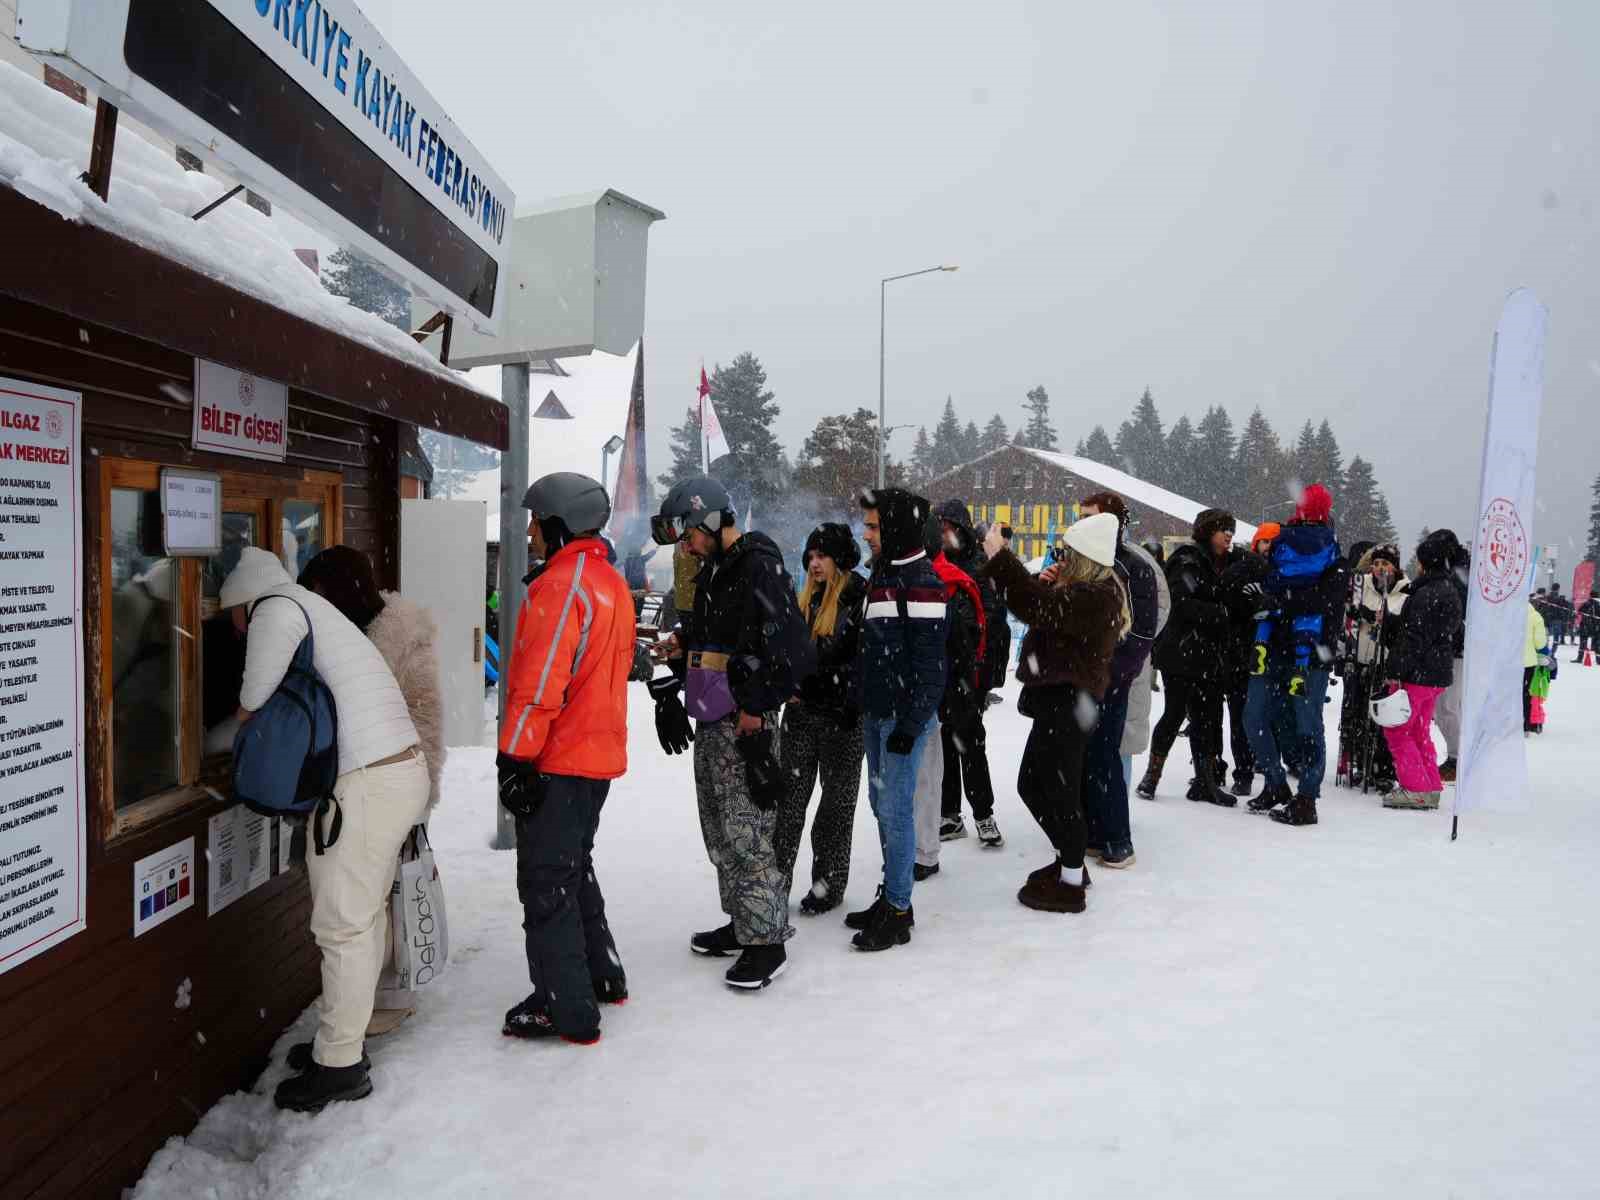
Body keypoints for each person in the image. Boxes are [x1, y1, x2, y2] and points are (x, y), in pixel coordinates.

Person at [220, 547, 426, 1113]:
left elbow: (253, 698)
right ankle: (340, 1046)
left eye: (229, 619)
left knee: (344, 927)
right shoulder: (312, 606)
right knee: (361, 920)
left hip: (369, 783)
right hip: (396, 771)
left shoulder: (277, 609)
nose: (233, 630)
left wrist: (219, 742)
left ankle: (340, 1067)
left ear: (240, 603)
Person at [650, 477, 813, 989]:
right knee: (720, 830)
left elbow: (792, 653)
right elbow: (723, 635)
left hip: (745, 724)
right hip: (713, 716)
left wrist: (758, 708)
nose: (685, 544)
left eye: (690, 533)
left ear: (714, 519)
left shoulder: (759, 567)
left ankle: (767, 942)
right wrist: (683, 644)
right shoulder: (717, 571)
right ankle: (745, 921)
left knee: (748, 833)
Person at [493, 474, 634, 1044]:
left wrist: (515, 759)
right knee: (574, 868)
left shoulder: (561, 585)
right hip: (596, 756)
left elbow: (538, 684)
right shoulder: (609, 581)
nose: (529, 531)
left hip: (558, 757)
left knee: (547, 882)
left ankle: (565, 1007)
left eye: (535, 520)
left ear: (559, 524)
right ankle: (601, 975)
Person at [298, 545, 446, 1035]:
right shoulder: (345, 631)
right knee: (371, 903)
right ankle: (368, 1007)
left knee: (372, 907)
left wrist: (418, 809)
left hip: (384, 786)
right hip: (354, 785)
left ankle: (382, 1003)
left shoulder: (400, 643)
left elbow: (425, 722)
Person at [980, 513, 1128, 913]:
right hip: (1059, 701)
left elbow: (1039, 608)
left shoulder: (1096, 595)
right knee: (1034, 784)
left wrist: (1002, 559)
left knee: (1059, 793)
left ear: (1085, 557)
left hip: (1069, 704)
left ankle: (1070, 881)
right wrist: (1039, 585)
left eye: (1068, 553)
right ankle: (1071, 861)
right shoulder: (1084, 591)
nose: (1059, 559)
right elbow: (1041, 609)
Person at [844, 488, 946, 952]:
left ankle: (900, 910)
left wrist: (909, 724)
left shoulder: (921, 580)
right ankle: (891, 895)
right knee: (879, 804)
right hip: (877, 712)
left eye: (874, 527)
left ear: (897, 528)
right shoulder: (882, 575)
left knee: (897, 813)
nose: (866, 535)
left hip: (901, 719)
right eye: (865, 526)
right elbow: (871, 651)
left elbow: (931, 666)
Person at [775, 522, 867, 916]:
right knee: (788, 805)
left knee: (834, 809)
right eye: (810, 556)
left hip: (841, 719)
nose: (814, 564)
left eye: (822, 556)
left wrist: (807, 678)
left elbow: (843, 658)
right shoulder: (805, 598)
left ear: (840, 559)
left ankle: (827, 884)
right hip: (800, 715)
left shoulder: (857, 597)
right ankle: (772, 885)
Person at [1244, 484, 1346, 827]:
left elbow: (1270, 594)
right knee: (1307, 723)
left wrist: (1277, 602)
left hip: (1273, 646)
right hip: (1310, 654)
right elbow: (1328, 606)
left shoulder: (1281, 545)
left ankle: (1281, 785)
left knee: (1257, 718)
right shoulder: (1334, 556)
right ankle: (1304, 795)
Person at [1076, 492, 1166, 868]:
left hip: (1111, 679)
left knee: (1107, 758)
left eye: (1090, 516)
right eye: (1079, 516)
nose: (1082, 522)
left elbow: (1144, 630)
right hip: (1082, 676)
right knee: (1085, 758)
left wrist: (1116, 672)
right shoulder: (1082, 557)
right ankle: (1094, 833)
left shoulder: (1134, 565)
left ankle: (1117, 839)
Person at [1138, 508, 1240, 806]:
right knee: (1175, 713)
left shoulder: (1220, 562)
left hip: (1207, 655)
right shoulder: (1188, 557)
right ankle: (1151, 777)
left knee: (1206, 719)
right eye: (1225, 532)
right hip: (1181, 652)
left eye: (1231, 532)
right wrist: (1220, 612)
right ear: (1209, 532)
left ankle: (1205, 782)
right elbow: (1181, 603)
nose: (1229, 538)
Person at [934, 500, 1004, 848]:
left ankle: (983, 813)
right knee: (946, 740)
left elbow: (991, 619)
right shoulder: (937, 565)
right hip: (944, 669)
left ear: (960, 528)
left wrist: (970, 649)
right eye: (940, 527)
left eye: (948, 526)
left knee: (971, 740)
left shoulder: (979, 566)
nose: (944, 533)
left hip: (970, 670)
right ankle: (949, 813)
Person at [1379, 531, 1464, 810]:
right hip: (1437, 673)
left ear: (1424, 562)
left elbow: (1413, 637)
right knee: (1418, 730)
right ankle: (1428, 783)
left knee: (1399, 730)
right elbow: (1433, 631)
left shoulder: (1426, 592)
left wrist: (1396, 670)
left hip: (1417, 673)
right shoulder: (1448, 589)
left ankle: (1416, 788)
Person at [1337, 543, 1407, 795]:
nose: (1379, 568)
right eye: (1376, 563)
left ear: (1395, 567)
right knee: (1357, 713)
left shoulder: (1404, 591)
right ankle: (1358, 761)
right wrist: (1358, 612)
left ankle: (1384, 770)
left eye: (1385, 564)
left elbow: (1403, 627)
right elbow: (1349, 613)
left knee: (1382, 718)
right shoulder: (1360, 585)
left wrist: (1386, 619)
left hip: (1385, 663)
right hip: (1361, 658)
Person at [1219, 522, 1283, 798]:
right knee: (1240, 715)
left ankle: (1270, 768)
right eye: (1265, 542)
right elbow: (1225, 608)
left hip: (1273, 653)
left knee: (1270, 715)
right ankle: (1243, 771)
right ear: (1256, 543)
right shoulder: (1239, 571)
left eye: (1275, 543)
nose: (1269, 548)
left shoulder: (1287, 575)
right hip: (1240, 653)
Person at [1433, 541, 1469, 780]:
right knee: (1450, 707)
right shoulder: (1460, 574)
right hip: (1457, 649)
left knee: (1446, 707)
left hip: (1454, 651)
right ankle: (1460, 756)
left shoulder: (1455, 579)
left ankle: (1457, 759)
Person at [1524, 596, 1549, 734]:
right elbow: (1540, 643)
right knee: (1527, 693)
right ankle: (1526, 724)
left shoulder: (1507, 613)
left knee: (1510, 693)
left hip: (1508, 663)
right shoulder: (1535, 617)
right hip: (1528, 663)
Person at [1573, 592, 1600, 662]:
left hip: (1585, 625)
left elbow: (1579, 611)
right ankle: (1598, 659)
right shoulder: (1599, 604)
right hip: (1597, 626)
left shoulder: (1587, 603)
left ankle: (1580, 658)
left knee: (1583, 643)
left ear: (1590, 596)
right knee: (1597, 644)